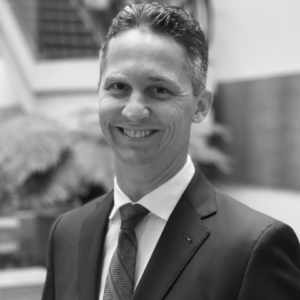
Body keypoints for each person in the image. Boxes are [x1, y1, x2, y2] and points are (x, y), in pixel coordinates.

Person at [42, 3, 300, 300]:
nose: (134, 110)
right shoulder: (66, 233)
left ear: (200, 105)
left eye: (159, 90)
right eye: (118, 86)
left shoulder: (254, 248)